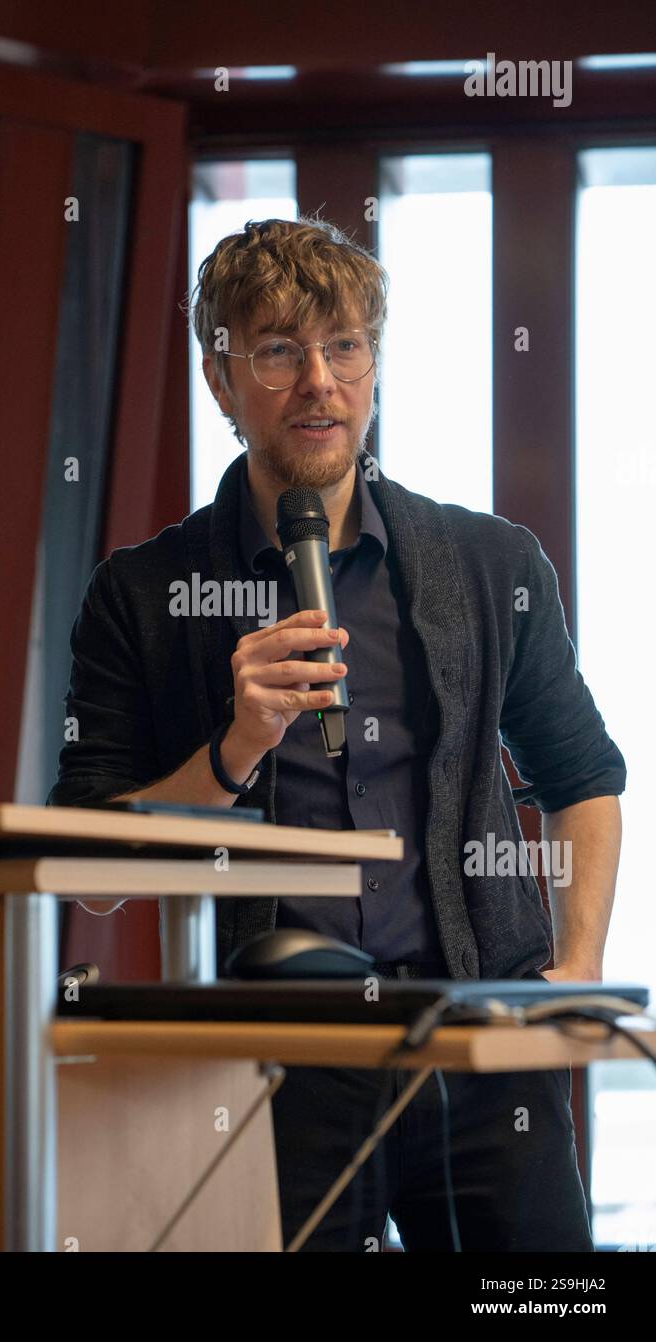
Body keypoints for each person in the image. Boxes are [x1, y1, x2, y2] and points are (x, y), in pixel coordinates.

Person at [48, 216, 625, 1252]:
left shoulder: (489, 565)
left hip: (479, 1033)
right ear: (221, 380)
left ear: (373, 365)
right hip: (277, 1054)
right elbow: (87, 860)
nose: (318, 380)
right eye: (275, 349)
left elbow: (580, 775)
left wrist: (570, 972)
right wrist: (231, 752)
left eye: (345, 346)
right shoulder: (139, 595)